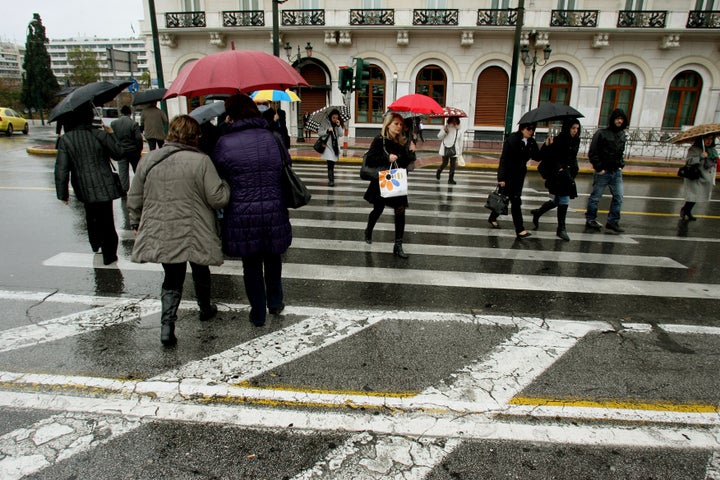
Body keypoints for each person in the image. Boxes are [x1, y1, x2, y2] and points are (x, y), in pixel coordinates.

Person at [127, 115, 230, 347]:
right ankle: (205, 308)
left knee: (172, 277)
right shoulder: (202, 161)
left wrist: (135, 222)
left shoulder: (149, 159)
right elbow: (218, 199)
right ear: (194, 136)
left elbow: (135, 195)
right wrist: (225, 183)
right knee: (201, 269)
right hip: (195, 229)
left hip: (164, 229)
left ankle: (167, 327)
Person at [213, 94, 292, 327]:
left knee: (251, 263)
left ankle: (258, 313)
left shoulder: (224, 143)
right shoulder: (273, 137)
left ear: (231, 115)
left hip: (242, 211)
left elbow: (218, 171)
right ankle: (276, 301)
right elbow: (285, 164)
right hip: (273, 207)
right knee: (273, 256)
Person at [54, 103, 125, 266]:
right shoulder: (99, 134)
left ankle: (96, 244)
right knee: (108, 220)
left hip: (83, 186)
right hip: (105, 184)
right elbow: (119, 153)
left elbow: (62, 169)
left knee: (91, 217)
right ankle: (110, 254)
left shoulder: (66, 140)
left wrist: (62, 194)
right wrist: (112, 135)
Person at [362, 112, 416, 258]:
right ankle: (369, 229)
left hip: (396, 180)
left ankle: (398, 245)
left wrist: (411, 151)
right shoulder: (380, 140)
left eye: (400, 124)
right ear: (388, 124)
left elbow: (405, 163)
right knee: (378, 209)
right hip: (382, 180)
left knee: (400, 210)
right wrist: (387, 157)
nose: (399, 127)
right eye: (396, 124)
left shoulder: (402, 141)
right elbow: (371, 159)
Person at [488, 122, 541, 238]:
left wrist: (547, 145)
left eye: (533, 129)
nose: (531, 131)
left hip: (519, 176)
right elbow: (504, 159)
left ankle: (492, 217)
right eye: (529, 128)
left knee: (505, 199)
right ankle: (520, 229)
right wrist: (501, 178)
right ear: (522, 128)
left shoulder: (531, 142)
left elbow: (538, 157)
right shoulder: (512, 140)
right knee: (515, 202)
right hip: (508, 175)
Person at [533, 119, 581, 241]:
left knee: (557, 200)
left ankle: (538, 213)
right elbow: (546, 157)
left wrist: (573, 169)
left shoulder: (576, 140)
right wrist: (547, 145)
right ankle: (561, 228)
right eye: (573, 128)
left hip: (568, 174)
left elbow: (572, 157)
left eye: (577, 128)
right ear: (567, 128)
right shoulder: (558, 140)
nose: (575, 131)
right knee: (564, 199)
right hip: (558, 175)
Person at [585, 108, 628, 232]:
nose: (619, 121)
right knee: (596, 197)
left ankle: (613, 221)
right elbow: (593, 152)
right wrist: (598, 168)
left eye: (621, 119)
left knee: (619, 197)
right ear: (612, 119)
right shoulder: (602, 133)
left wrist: (621, 164)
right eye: (617, 118)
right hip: (603, 171)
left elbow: (620, 152)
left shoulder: (622, 135)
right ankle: (590, 219)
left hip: (616, 171)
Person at [680, 133, 718, 221]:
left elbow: (715, 161)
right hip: (695, 175)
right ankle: (686, 210)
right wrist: (700, 157)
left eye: (711, 139)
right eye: (707, 139)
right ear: (701, 139)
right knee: (693, 195)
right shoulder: (694, 149)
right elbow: (689, 161)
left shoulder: (712, 150)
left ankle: (686, 210)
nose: (709, 141)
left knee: (697, 196)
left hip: (706, 177)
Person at [110, 105, 143, 193]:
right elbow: (138, 138)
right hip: (133, 151)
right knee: (137, 170)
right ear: (130, 113)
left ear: (121, 112)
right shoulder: (133, 124)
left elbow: (112, 137)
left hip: (121, 151)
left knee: (123, 171)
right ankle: (140, 188)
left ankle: (124, 189)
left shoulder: (114, 124)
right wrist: (139, 149)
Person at [319, 108, 344, 186]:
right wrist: (327, 130)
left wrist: (339, 125)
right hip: (327, 146)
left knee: (332, 163)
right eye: (333, 118)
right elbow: (319, 133)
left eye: (336, 118)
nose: (335, 119)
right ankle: (331, 180)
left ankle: (331, 178)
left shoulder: (337, 124)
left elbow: (341, 134)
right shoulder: (325, 123)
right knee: (330, 163)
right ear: (330, 117)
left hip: (335, 146)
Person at [436, 116, 463, 184]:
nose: (454, 122)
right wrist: (444, 131)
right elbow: (439, 137)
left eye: (455, 120)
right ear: (449, 120)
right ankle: (439, 171)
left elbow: (460, 141)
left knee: (453, 165)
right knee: (445, 163)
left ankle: (451, 179)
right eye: (452, 120)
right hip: (445, 149)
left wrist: (460, 152)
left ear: (457, 121)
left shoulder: (458, 130)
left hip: (454, 149)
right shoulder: (446, 127)